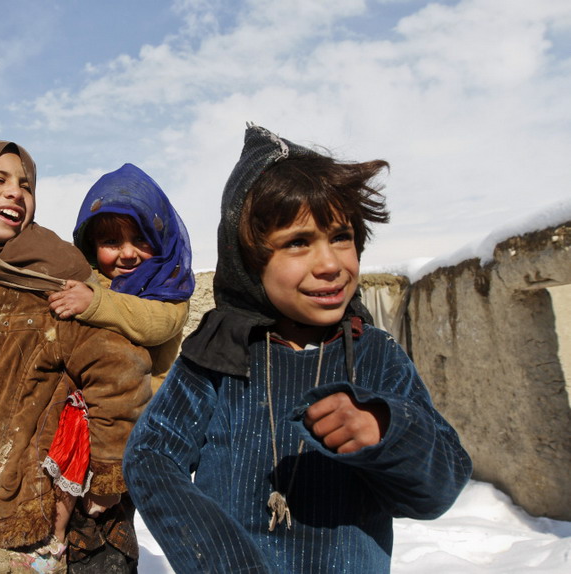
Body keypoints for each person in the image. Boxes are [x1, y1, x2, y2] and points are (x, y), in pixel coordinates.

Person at [122, 123, 473, 573]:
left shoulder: (376, 354)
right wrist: (224, 562)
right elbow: (151, 459)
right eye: (298, 243)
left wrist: (386, 431)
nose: (329, 265)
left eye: (341, 237)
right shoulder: (219, 353)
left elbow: (439, 489)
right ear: (249, 262)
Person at [0, 140, 152, 574]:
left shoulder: (50, 280)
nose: (15, 191)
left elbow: (121, 374)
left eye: (25, 185)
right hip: (7, 492)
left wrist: (108, 480)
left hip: (73, 514)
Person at [45, 163, 195, 570]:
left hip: (130, 436)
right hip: (83, 426)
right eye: (111, 241)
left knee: (105, 536)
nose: (127, 253)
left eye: (140, 240)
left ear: (161, 241)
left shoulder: (169, 291)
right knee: (60, 522)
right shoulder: (91, 283)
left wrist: (93, 303)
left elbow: (150, 323)